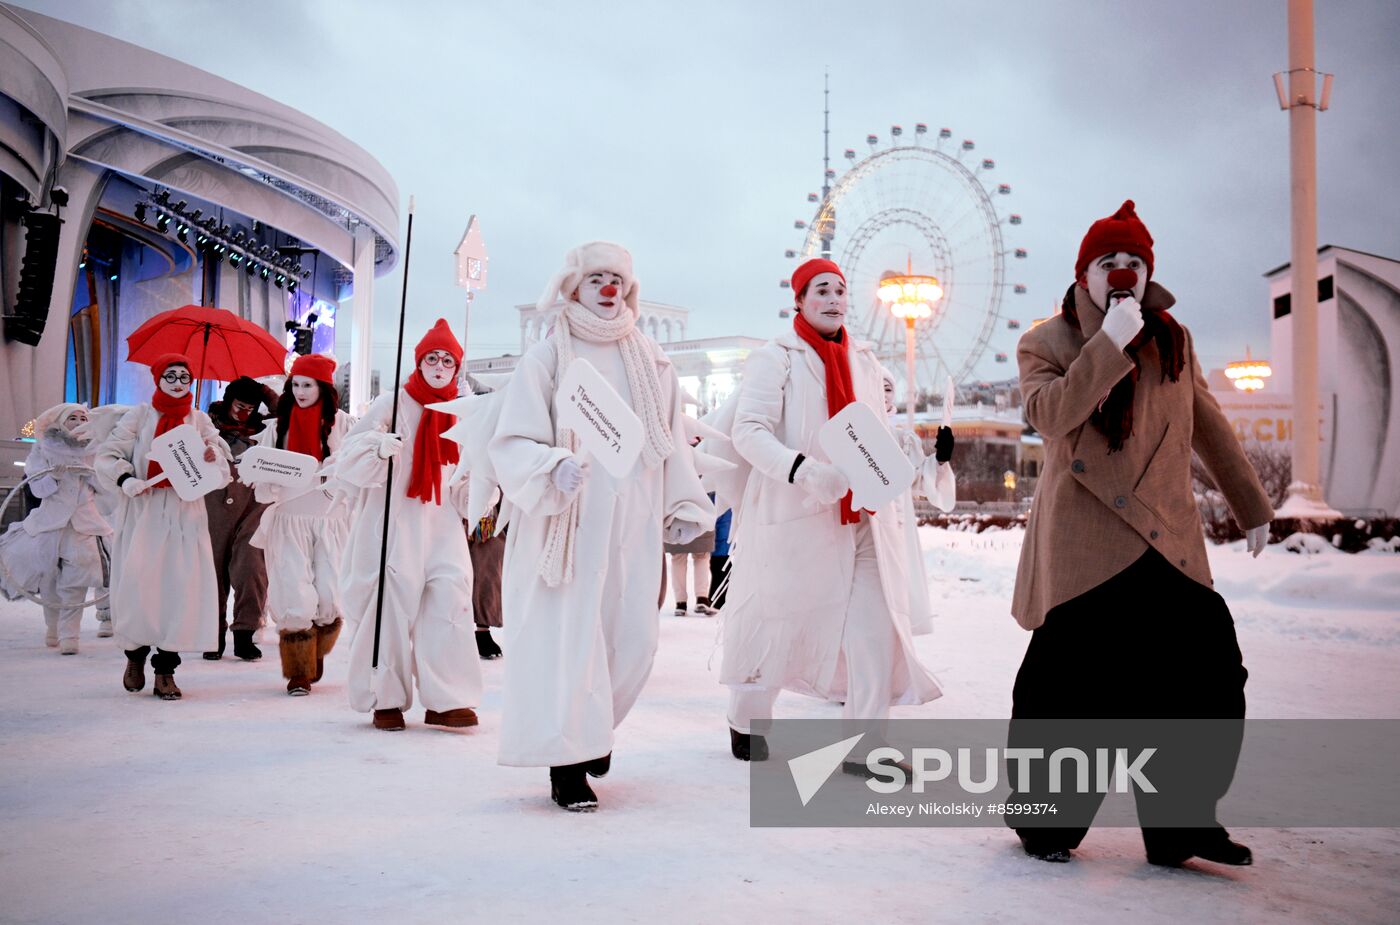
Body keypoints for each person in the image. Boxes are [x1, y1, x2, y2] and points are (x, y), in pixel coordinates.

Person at [1006, 200, 1273, 867]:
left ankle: (1182, 821)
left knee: (1207, 673)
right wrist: (1108, 345)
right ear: (1085, 274)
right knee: (1070, 690)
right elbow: (1050, 415)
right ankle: (1045, 820)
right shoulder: (1046, 341)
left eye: (1134, 262)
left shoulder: (1173, 338)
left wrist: (1252, 503)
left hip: (1165, 534)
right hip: (1084, 541)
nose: (1122, 272)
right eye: (1108, 262)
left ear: (1148, 271)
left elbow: (1207, 422)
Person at [489, 241, 713, 811]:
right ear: (574, 287)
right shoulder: (548, 357)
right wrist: (551, 466)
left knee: (632, 637)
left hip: (632, 518)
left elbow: (670, 442)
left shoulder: (653, 360)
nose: (608, 287)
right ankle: (567, 760)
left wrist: (682, 504)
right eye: (596, 278)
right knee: (570, 640)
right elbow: (512, 439)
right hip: (566, 520)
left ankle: (596, 726)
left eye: (617, 277)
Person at [718, 258, 951, 764]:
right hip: (796, 510)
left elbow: (876, 435)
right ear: (798, 300)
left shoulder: (865, 361)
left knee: (874, 628)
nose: (833, 298)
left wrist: (919, 466)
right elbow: (748, 431)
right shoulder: (775, 358)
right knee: (780, 625)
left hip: (862, 516)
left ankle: (865, 746)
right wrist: (804, 470)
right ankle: (747, 714)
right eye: (820, 289)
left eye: (841, 290)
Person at [337, 320, 482, 732]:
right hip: (395, 522)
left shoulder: (461, 411)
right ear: (419, 363)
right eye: (432, 358)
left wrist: (480, 486)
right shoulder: (393, 403)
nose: (439, 366)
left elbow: (465, 476)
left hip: (443, 526)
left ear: (457, 368)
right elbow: (350, 456)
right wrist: (377, 448)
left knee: (449, 604)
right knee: (390, 607)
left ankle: (446, 698)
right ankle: (386, 697)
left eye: (447, 360)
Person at [95, 354, 231, 700]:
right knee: (140, 585)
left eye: (184, 377)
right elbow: (109, 455)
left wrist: (212, 454)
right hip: (144, 512)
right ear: (158, 379)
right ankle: (135, 655)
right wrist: (127, 479)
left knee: (178, 589)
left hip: (185, 516)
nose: (178, 382)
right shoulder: (139, 416)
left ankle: (166, 669)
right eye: (170, 375)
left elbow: (219, 460)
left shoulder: (198, 420)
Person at [248, 354, 353, 695]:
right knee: (293, 589)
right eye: (296, 384)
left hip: (330, 519)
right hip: (289, 517)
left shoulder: (343, 424)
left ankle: (317, 648)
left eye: (308, 384)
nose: (302, 391)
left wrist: (337, 473)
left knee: (329, 592)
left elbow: (357, 467)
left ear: (323, 387)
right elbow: (260, 476)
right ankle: (299, 670)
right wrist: (261, 477)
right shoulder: (277, 427)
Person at [0, 404, 111, 654]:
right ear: (60, 422)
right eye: (72, 418)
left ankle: (70, 635)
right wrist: (54, 478)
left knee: (77, 580)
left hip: (85, 525)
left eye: (83, 417)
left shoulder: (95, 450)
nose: (78, 421)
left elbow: (108, 488)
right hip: (50, 524)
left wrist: (92, 475)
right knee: (49, 580)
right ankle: (53, 628)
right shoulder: (43, 450)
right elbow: (37, 489)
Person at [203, 376, 275, 660]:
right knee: (212, 567)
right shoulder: (208, 421)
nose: (243, 412)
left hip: (252, 497)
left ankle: (244, 633)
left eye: (250, 406)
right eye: (239, 405)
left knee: (251, 566)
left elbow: (285, 416)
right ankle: (213, 633)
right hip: (214, 495)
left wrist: (266, 394)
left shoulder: (263, 426)